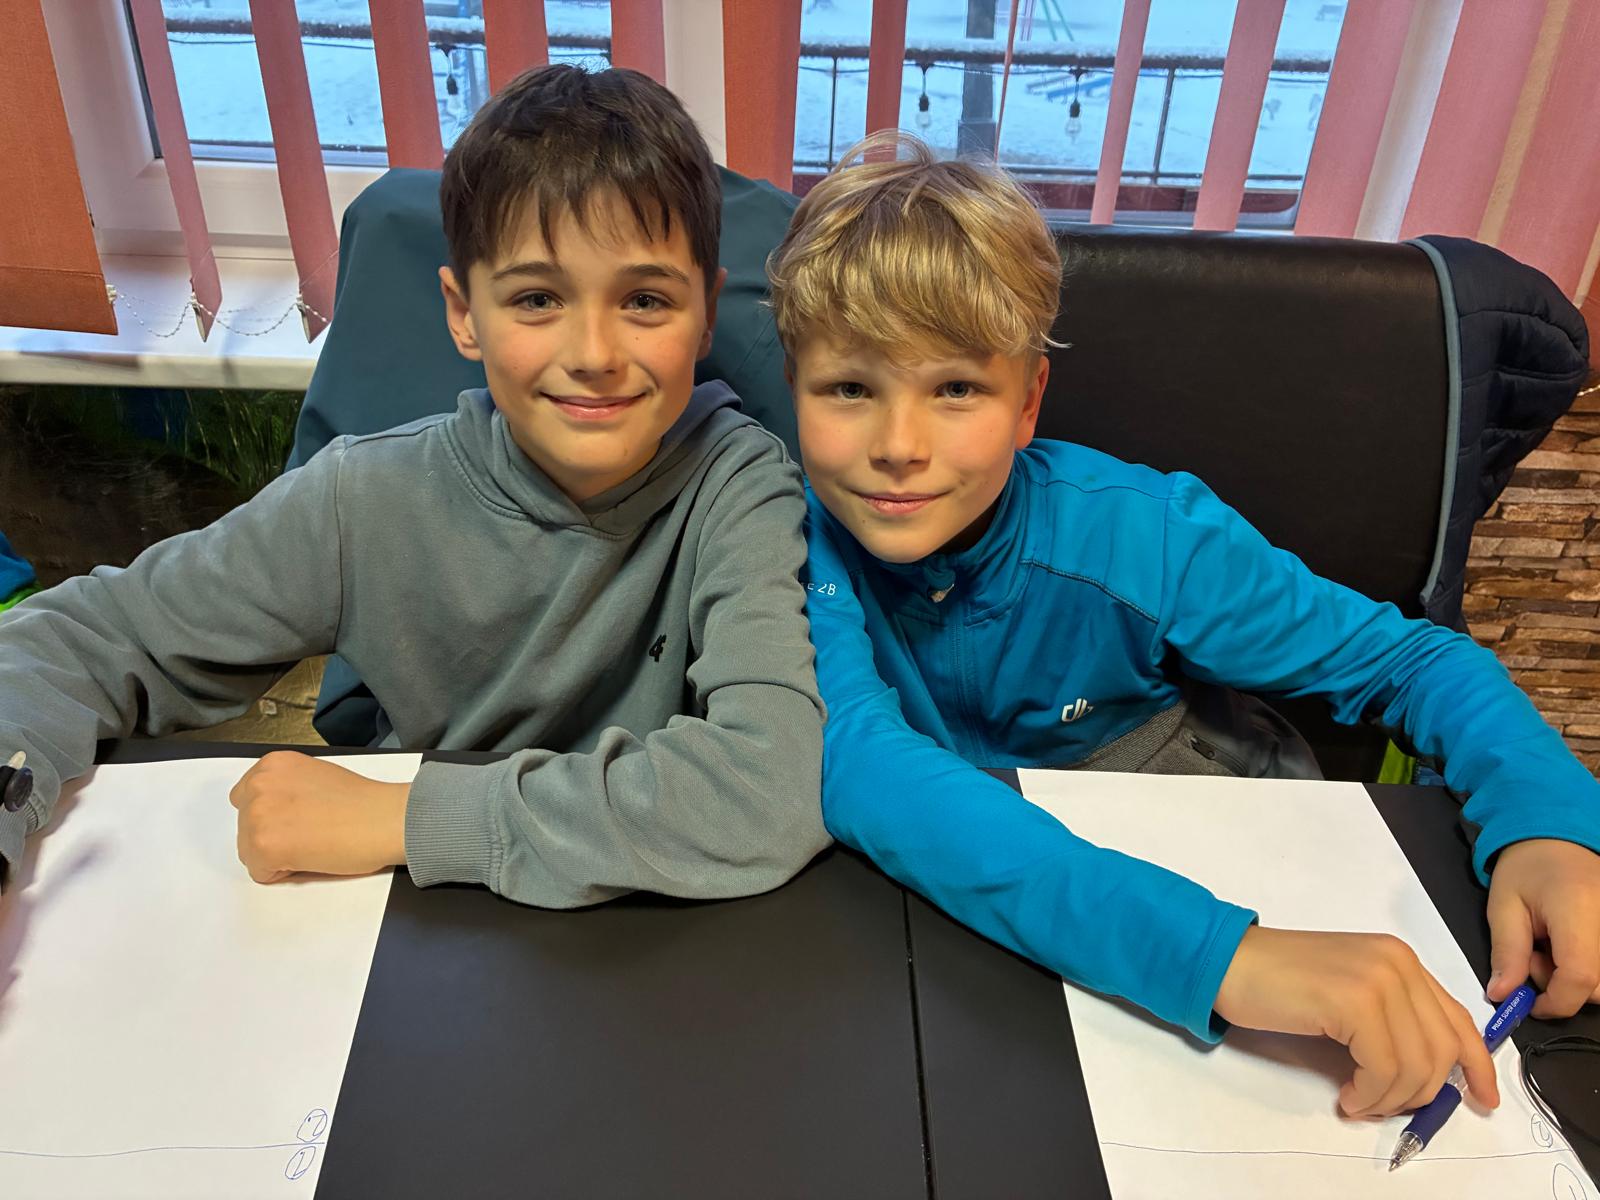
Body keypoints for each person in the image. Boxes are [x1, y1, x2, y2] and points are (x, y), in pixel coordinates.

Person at [769, 131, 1600, 1120]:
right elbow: (862, 761)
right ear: (793, 390)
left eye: (955, 389)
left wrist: (1548, 821)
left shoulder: (1148, 538)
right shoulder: (776, 547)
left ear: (1028, 401)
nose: (899, 446)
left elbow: (1410, 660)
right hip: (984, 919)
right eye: (849, 388)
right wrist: (1219, 960)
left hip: (1217, 844)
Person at [0, 64, 828, 907]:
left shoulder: (743, 488)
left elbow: (770, 788)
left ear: (705, 312)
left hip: (646, 927)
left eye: (645, 301)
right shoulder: (363, 499)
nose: (594, 354)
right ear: (464, 314)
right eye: (537, 298)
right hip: (407, 929)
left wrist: (403, 818)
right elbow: (76, 642)